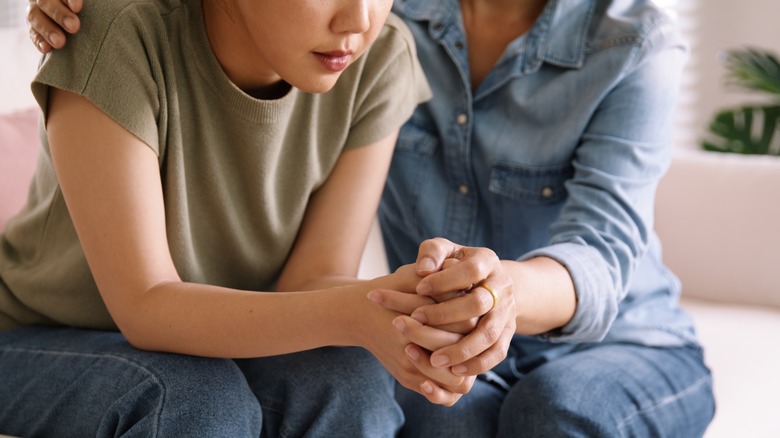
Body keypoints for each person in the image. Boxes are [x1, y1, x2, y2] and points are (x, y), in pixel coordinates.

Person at [26, 0, 717, 436]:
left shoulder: (630, 41)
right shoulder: (392, 27)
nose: (357, 19)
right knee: (212, 401)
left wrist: (466, 299)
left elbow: (602, 247)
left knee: (542, 410)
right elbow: (156, 305)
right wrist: (378, 311)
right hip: (55, 331)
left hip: (614, 340)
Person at [0, 0, 473, 436]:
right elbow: (144, 307)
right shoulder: (119, 32)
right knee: (192, 398)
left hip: (221, 347)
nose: (358, 20)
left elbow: (311, 281)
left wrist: (408, 303)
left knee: (349, 378)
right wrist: (354, 313)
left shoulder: (381, 55)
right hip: (38, 337)